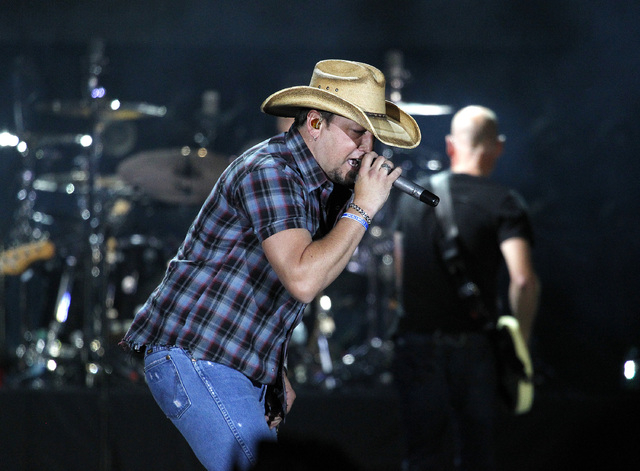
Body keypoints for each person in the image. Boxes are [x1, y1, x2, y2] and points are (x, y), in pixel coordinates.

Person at [119, 59, 421, 471]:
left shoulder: (318, 186)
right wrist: (364, 208)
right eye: (356, 132)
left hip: (232, 360)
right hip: (199, 355)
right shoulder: (271, 170)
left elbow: (263, 288)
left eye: (373, 136)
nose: (367, 148)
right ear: (314, 123)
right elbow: (302, 279)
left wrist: (274, 369)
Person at [391, 105, 540, 470]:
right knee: (477, 456)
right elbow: (523, 280)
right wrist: (520, 343)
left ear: (450, 145)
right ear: (498, 147)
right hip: (474, 347)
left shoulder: (412, 197)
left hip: (417, 345)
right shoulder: (505, 202)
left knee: (422, 456)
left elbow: (399, 274)